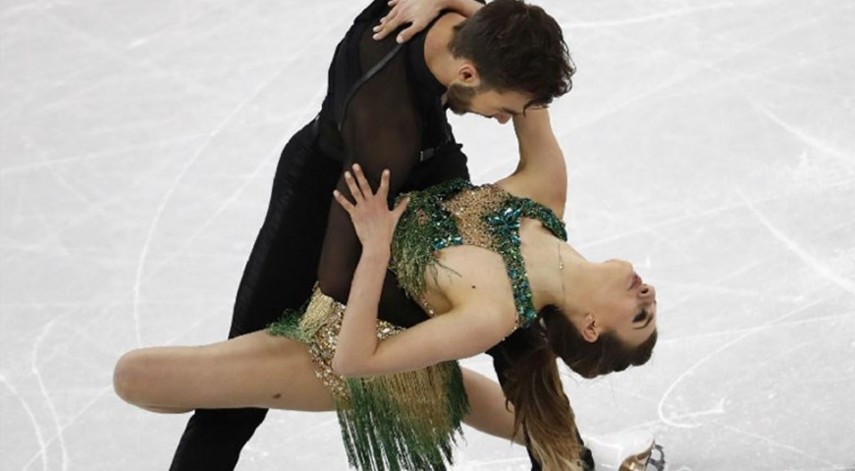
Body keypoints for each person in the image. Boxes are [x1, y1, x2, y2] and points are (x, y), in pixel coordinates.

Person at [156, 0, 579, 469]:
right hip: (333, 191)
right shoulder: (387, 125)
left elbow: (495, 29)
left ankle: (571, 461)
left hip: (429, 162)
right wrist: (456, 320)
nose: (505, 121)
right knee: (240, 382)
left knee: (517, 319)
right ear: (468, 71)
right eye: (506, 107)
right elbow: (339, 276)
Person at [114, 108, 661, 471]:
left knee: (136, 377)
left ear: (590, 326)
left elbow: (356, 360)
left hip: (330, 349)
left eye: (639, 318)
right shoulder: (546, 188)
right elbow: (526, 66)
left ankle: (576, 455)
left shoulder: (494, 310)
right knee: (450, 389)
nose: (648, 296)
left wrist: (375, 247)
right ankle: (582, 456)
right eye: (650, 308)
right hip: (340, 279)